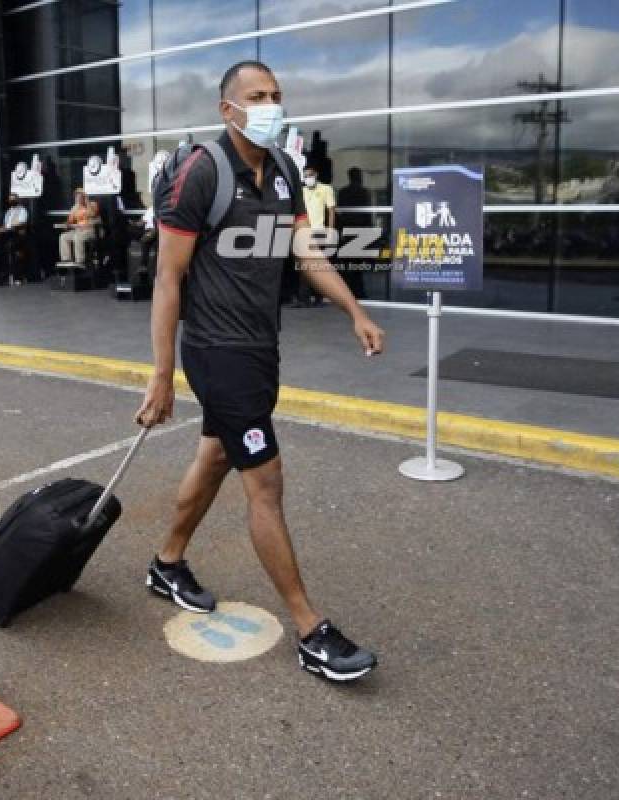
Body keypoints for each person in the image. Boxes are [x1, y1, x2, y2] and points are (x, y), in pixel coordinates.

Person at [137, 60, 385, 683]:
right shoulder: (200, 170)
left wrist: (353, 308)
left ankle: (167, 563)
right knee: (265, 483)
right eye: (257, 96)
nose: (271, 104)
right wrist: (162, 374)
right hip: (217, 352)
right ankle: (311, 630)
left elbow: (305, 250)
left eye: (276, 94)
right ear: (228, 110)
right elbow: (168, 279)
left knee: (216, 457)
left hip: (259, 347)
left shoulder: (283, 170)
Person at [294, 165, 335, 307]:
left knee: (316, 266)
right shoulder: (302, 190)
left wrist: (330, 231)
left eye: (310, 175)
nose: (308, 178)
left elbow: (331, 211)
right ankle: (304, 298)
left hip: (319, 231)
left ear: (316, 174)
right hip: (305, 231)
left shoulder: (326, 189)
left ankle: (315, 297)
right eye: (305, 176)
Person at [336, 167, 371, 299]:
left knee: (349, 264)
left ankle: (350, 291)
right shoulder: (363, 192)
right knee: (356, 265)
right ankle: (357, 291)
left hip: (349, 230)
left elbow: (341, 213)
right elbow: (367, 214)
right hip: (358, 230)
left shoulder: (344, 192)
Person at [58, 188, 99, 265]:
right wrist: (66, 224)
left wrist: (87, 202)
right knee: (63, 237)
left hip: (90, 230)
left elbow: (92, 214)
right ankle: (66, 260)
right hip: (78, 230)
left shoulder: (93, 204)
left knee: (77, 237)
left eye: (80, 196)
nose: (78, 198)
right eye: (77, 196)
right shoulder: (75, 207)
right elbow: (70, 220)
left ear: (85, 197)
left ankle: (80, 261)